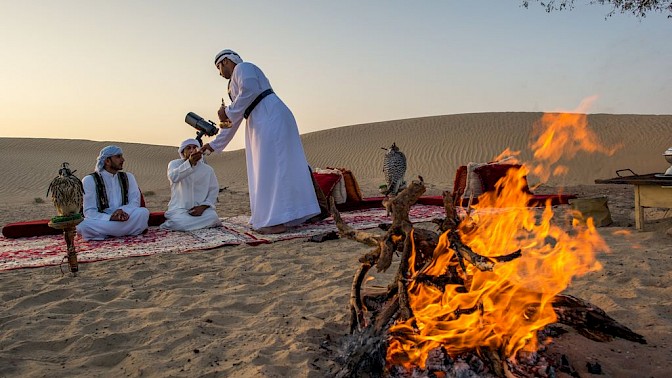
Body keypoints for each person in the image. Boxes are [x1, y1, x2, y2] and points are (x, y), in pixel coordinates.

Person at [201, 49, 322, 234]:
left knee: (274, 167)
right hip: (260, 120)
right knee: (272, 167)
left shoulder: (243, 67)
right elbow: (234, 120)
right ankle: (289, 214)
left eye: (219, 67)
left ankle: (276, 220)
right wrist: (215, 144)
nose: (219, 73)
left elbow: (249, 90)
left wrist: (228, 112)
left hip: (270, 116)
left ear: (226, 61)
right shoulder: (233, 84)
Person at [76, 145, 150, 241]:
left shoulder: (128, 177)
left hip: (125, 216)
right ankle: (126, 231)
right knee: (84, 225)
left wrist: (122, 212)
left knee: (143, 213)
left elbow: (135, 202)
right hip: (104, 220)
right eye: (118, 157)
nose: (123, 160)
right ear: (107, 161)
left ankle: (106, 233)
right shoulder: (90, 180)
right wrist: (110, 217)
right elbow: (89, 212)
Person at [160, 138, 222, 231]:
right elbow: (174, 177)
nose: (192, 150)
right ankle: (191, 225)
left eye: (195, 147)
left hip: (201, 210)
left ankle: (192, 224)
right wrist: (190, 163)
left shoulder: (208, 169)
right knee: (180, 223)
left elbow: (213, 190)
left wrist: (203, 207)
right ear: (182, 151)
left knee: (213, 217)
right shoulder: (174, 164)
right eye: (188, 148)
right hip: (180, 209)